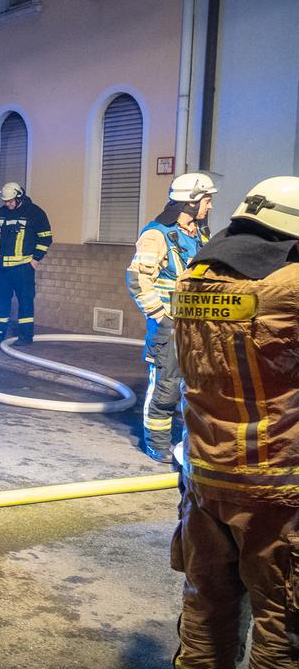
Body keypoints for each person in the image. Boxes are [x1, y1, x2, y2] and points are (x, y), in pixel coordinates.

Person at [168, 176, 299, 669]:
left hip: (204, 480)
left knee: (206, 604)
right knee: (281, 620)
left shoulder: (192, 280)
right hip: (276, 486)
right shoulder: (286, 288)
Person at [126, 172, 218, 462]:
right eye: (207, 200)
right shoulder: (156, 235)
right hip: (170, 327)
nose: (210, 206)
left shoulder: (200, 234)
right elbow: (138, 281)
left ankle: (191, 445)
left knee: (199, 390)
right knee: (165, 389)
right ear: (190, 203)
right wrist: (161, 318)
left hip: (198, 328)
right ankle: (158, 444)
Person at [0, 182, 51, 343]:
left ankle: (25, 336)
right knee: (0, 300)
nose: (8, 204)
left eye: (11, 201)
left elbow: (46, 238)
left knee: (25, 300)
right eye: (5, 201)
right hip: (1, 268)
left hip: (23, 267)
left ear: (19, 197)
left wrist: (35, 260)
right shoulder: (1, 213)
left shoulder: (34, 213)